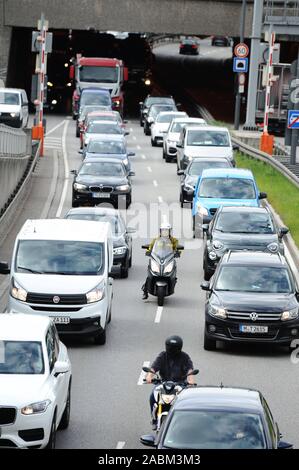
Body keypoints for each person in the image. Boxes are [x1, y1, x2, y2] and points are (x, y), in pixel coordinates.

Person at [146, 336, 196, 429]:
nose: (171, 350)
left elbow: (190, 370)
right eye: (170, 347)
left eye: (174, 348)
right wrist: (149, 376)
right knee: (152, 396)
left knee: (186, 401)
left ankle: (184, 421)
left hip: (180, 385)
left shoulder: (185, 357)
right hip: (163, 384)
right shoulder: (162, 356)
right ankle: (154, 418)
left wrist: (190, 381)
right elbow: (153, 367)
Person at [142, 222, 179, 300]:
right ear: (160, 231)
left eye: (166, 230)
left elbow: (176, 249)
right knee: (150, 274)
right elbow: (151, 247)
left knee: (173, 270)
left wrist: (177, 253)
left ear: (169, 231)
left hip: (168, 259)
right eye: (163, 230)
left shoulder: (174, 240)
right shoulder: (156, 240)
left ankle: (172, 282)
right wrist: (148, 251)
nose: (165, 232)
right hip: (157, 259)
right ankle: (145, 290)